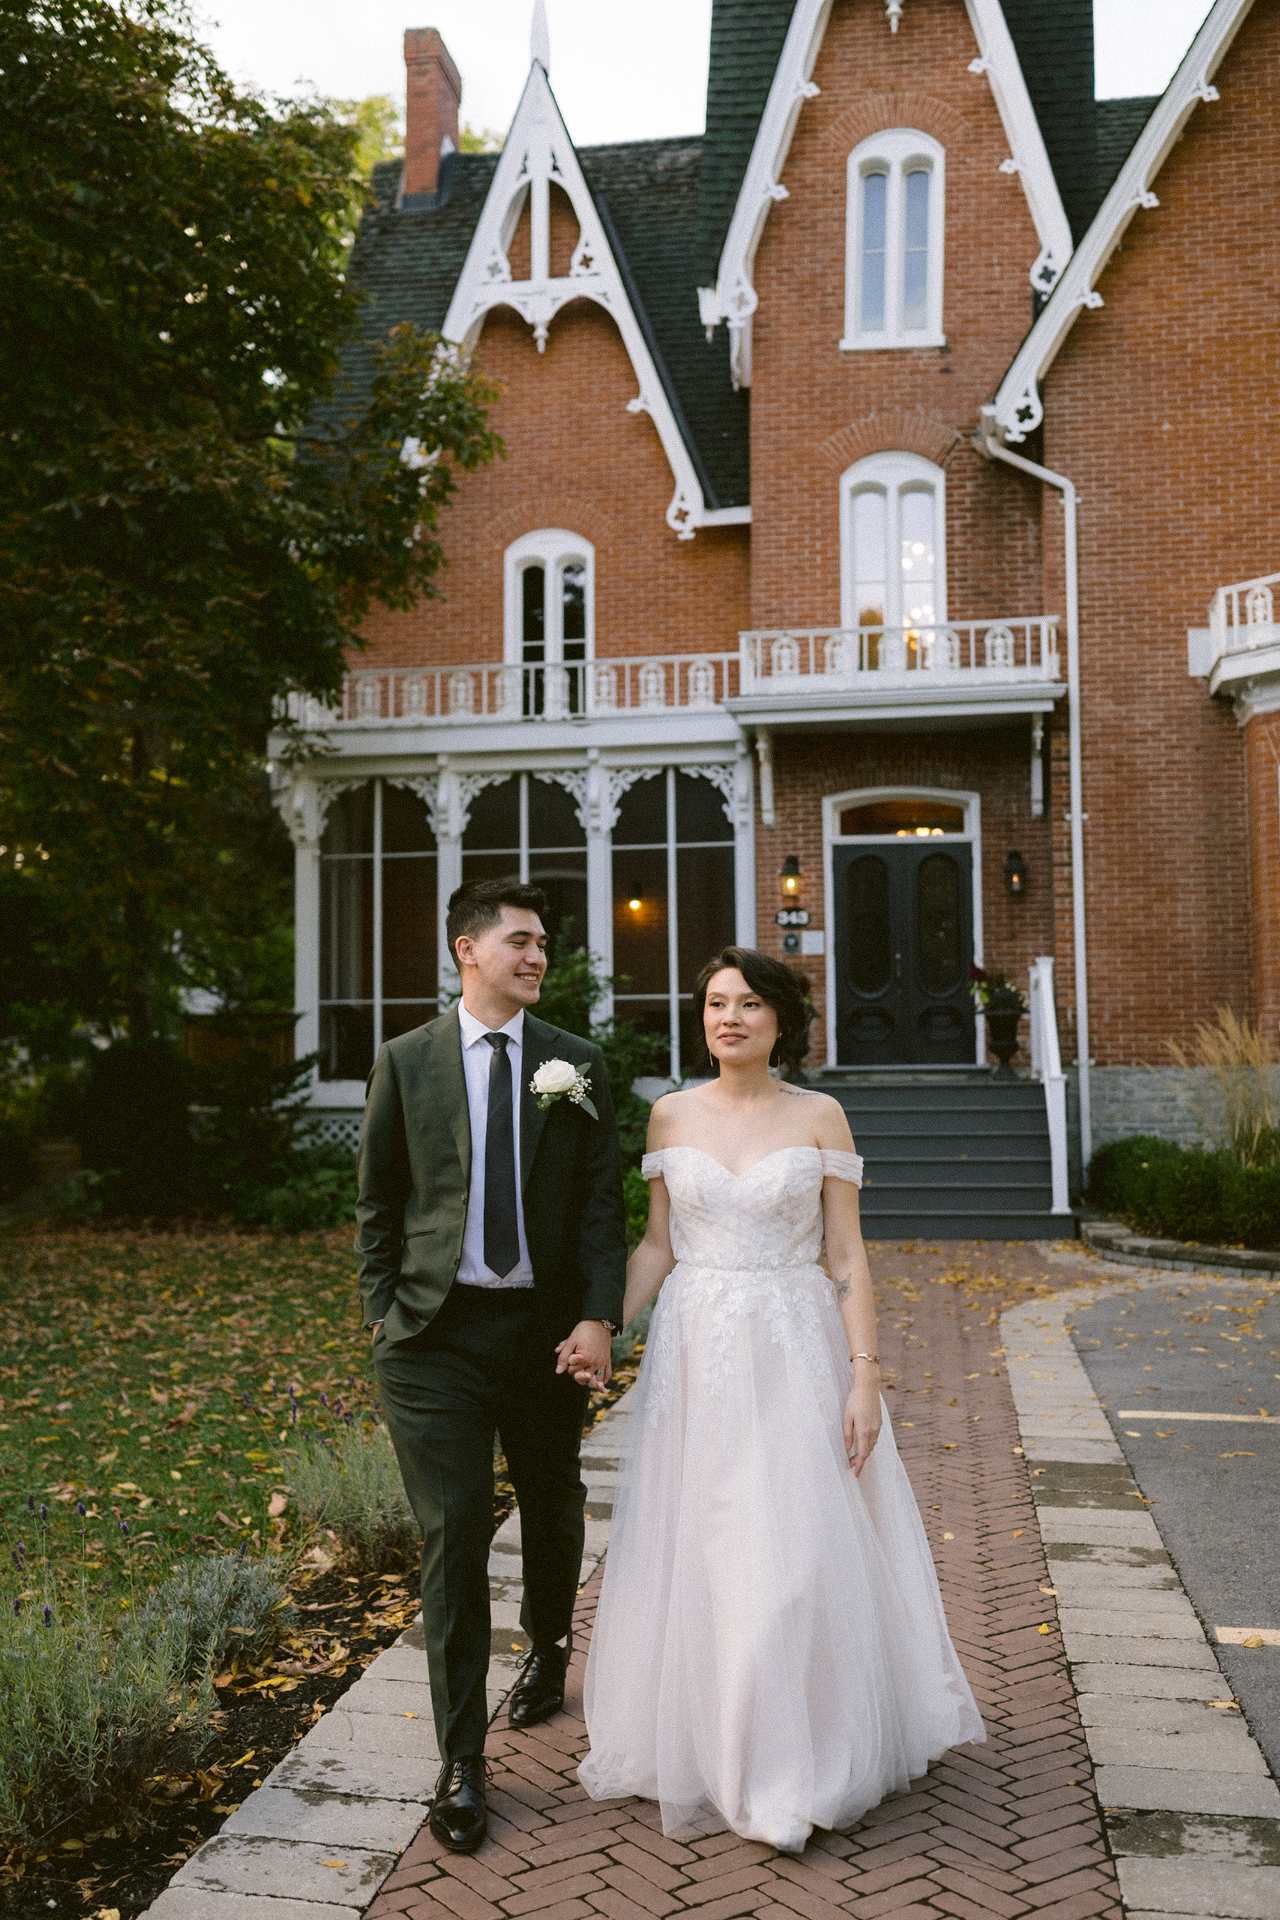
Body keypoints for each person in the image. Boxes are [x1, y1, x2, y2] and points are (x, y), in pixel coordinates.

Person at [578, 947, 983, 1852]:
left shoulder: (819, 1115)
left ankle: (797, 1757)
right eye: (716, 1003)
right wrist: (603, 1323)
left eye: (750, 1004)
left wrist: (864, 1377)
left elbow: (847, 1259)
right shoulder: (669, 1114)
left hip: (796, 1345)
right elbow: (657, 1245)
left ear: (781, 1020)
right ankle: (717, 1743)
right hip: (698, 1354)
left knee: (795, 1553)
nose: (730, 1018)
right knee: (711, 1546)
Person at [357, 878, 627, 1855]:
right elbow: (378, 1204)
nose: (537, 957)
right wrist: (383, 1316)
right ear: (465, 950)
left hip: (545, 1335)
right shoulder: (406, 1062)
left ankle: (549, 1647)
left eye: (544, 944)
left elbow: (602, 1209)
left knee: (552, 1498)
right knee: (454, 1531)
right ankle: (461, 1760)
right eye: (519, 941)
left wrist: (598, 1317)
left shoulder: (575, 1064)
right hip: (432, 1339)